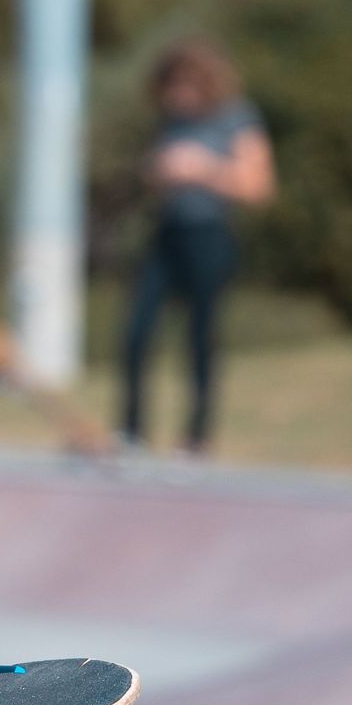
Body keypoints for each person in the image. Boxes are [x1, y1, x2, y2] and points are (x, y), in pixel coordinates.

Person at [117, 39, 276, 455]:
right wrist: (159, 172)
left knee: (200, 336)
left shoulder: (236, 118)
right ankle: (131, 431)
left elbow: (258, 187)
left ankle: (197, 436)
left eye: (185, 86)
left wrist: (203, 168)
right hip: (168, 233)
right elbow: (153, 176)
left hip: (210, 234)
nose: (178, 96)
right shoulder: (170, 121)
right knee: (137, 330)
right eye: (171, 87)